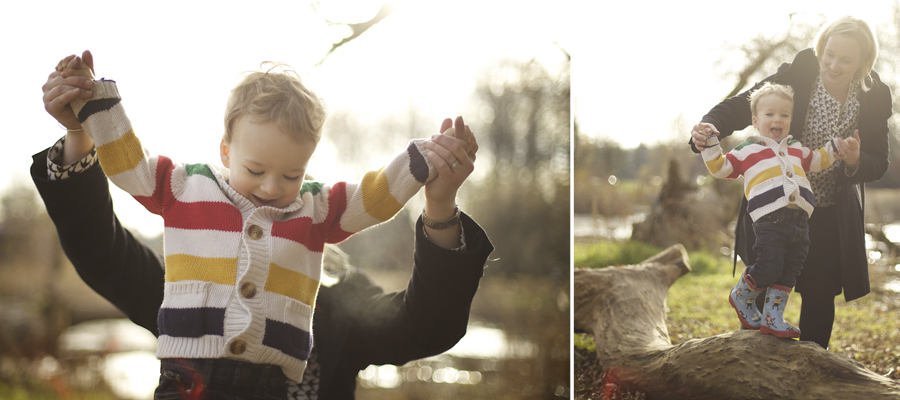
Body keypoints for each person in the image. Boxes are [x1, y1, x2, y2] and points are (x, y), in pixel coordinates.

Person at [45, 51, 485, 399]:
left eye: (291, 176)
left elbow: (374, 202)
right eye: (255, 170)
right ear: (225, 152)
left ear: (308, 168)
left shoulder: (326, 239)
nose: (272, 188)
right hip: (189, 379)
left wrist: (427, 171)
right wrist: (89, 117)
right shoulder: (187, 203)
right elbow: (119, 192)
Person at [690, 16, 891, 349]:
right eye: (829, 54)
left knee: (820, 292)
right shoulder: (802, 70)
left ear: (863, 62)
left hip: (827, 209)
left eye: (845, 60)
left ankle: (812, 374)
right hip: (774, 203)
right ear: (821, 47)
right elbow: (749, 102)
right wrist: (710, 125)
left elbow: (879, 162)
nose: (833, 65)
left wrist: (855, 159)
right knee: (766, 279)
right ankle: (749, 375)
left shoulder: (874, 97)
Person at [700, 82, 856, 338]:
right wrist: (709, 144)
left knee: (789, 271)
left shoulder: (795, 148)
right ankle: (741, 294)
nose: (777, 119)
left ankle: (773, 317)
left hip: (800, 222)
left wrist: (836, 149)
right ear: (755, 120)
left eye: (784, 115)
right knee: (769, 265)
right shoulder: (746, 150)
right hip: (769, 220)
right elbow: (721, 168)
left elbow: (817, 159)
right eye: (770, 114)